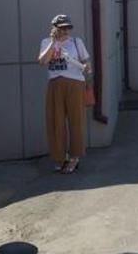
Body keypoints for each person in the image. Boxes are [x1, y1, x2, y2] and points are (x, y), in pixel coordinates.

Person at [38, 14, 91, 174]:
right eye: (62, 28)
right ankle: (60, 157)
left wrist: (86, 67)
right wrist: (54, 43)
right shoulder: (46, 42)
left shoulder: (76, 42)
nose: (66, 31)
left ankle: (75, 157)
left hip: (75, 83)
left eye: (68, 27)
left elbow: (87, 62)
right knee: (56, 121)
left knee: (76, 120)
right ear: (55, 28)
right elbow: (42, 61)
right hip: (55, 83)